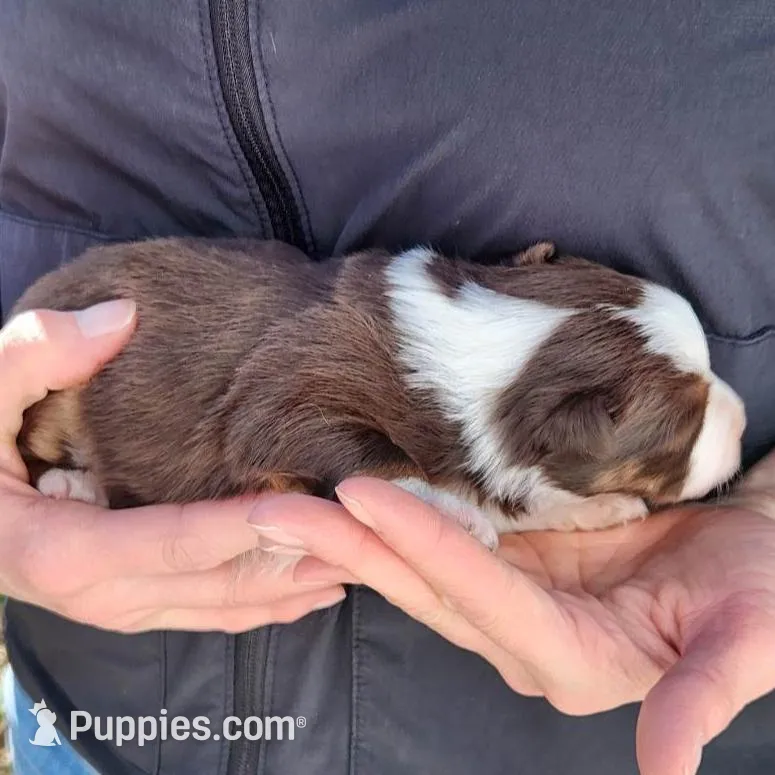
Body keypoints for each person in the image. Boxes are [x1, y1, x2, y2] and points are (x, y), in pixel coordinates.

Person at [1, 1, 773, 773]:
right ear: (529, 268)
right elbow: (278, 431)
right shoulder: (359, 378)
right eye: (689, 417)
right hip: (99, 720)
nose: (724, 419)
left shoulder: (432, 365)